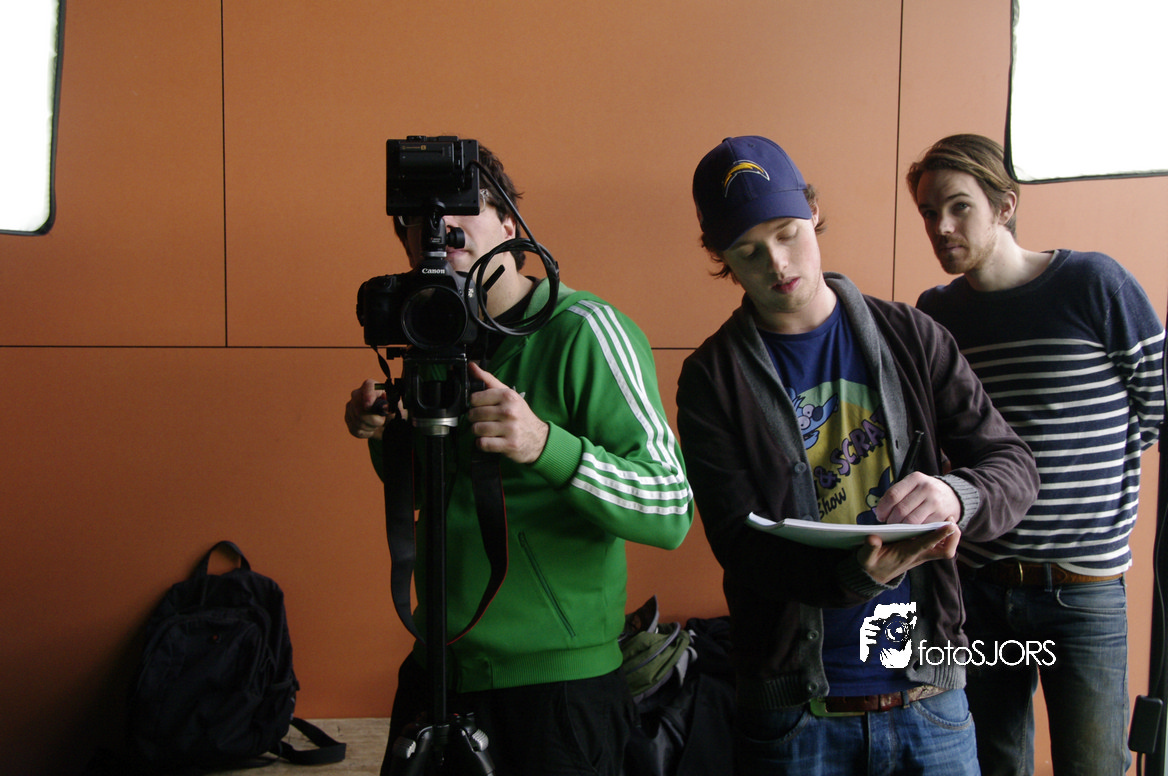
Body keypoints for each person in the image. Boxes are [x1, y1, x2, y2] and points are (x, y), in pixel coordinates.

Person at [676, 135, 1040, 775]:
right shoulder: (712, 378)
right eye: (748, 251)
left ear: (813, 211)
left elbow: (1012, 465)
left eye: (788, 233)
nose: (777, 263)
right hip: (795, 717)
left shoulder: (911, 335)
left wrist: (956, 495)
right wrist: (856, 576)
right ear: (719, 256)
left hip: (931, 700)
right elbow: (739, 542)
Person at [344, 142, 694, 776]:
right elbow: (430, 494)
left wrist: (544, 445)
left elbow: (669, 506)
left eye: (460, 207)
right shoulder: (430, 335)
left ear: (509, 223)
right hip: (439, 668)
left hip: (557, 688)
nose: (439, 228)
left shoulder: (585, 330)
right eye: (417, 220)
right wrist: (383, 434)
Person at [907, 133, 1167, 776]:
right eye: (929, 212)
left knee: (1093, 765)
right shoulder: (936, 313)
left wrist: (1090, 470)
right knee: (991, 763)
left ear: (1005, 206)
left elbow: (1157, 407)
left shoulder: (1093, 283)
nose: (941, 227)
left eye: (959, 207)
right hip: (981, 590)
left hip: (1083, 592)